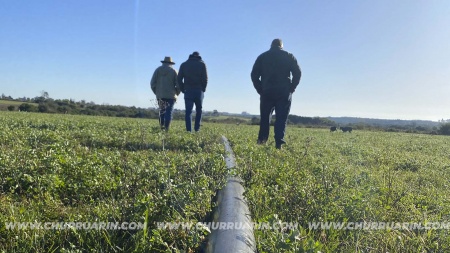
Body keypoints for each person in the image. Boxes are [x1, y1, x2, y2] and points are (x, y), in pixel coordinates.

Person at [251, 39, 302, 149]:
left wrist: (260, 89)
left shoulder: (262, 57)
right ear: (281, 46)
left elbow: (254, 75)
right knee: (281, 118)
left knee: (265, 118)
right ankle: (279, 143)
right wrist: (292, 88)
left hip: (267, 91)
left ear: (271, 45)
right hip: (284, 92)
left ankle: (262, 141)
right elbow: (297, 73)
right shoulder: (289, 56)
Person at [177, 51, 208, 132]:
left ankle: (188, 131)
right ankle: (197, 129)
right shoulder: (202, 64)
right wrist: (203, 89)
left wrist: (183, 89)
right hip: (199, 90)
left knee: (188, 112)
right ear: (198, 56)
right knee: (199, 110)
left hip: (188, 90)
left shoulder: (184, 64)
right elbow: (205, 79)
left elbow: (179, 79)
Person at [150, 56, 180, 131]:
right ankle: (166, 129)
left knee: (162, 112)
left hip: (160, 95)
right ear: (170, 63)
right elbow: (178, 85)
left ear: (163, 62)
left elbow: (152, 83)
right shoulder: (174, 71)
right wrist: (176, 93)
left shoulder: (157, 70)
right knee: (168, 113)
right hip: (171, 96)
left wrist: (156, 92)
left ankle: (161, 128)